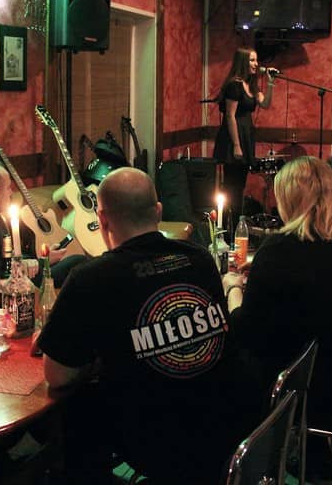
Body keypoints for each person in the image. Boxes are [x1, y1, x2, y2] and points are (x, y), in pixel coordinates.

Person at [37, 168, 261, 485]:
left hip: (163, 443)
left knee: (76, 409)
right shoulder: (200, 258)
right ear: (158, 211)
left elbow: (57, 376)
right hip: (232, 427)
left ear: (102, 219)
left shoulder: (90, 278)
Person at [223, 156, 332, 482]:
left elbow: (247, 331)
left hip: (309, 390)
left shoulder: (279, 250)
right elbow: (320, 305)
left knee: (233, 361)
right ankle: (311, 449)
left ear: (291, 200)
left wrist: (233, 288)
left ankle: (247, 457)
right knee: (305, 342)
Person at [0, 160, 84, 286]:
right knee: (78, 263)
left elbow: (12, 257)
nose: (11, 192)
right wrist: (43, 263)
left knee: (78, 263)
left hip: (21, 274)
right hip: (10, 287)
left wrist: (42, 259)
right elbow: (4, 278)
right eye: (8, 187)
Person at [212, 47, 274, 224]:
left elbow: (265, 104)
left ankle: (235, 225)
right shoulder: (234, 85)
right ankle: (227, 227)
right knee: (232, 187)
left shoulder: (251, 85)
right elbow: (230, 116)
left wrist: (270, 83)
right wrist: (237, 145)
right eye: (252, 60)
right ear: (242, 62)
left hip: (246, 136)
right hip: (234, 138)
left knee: (239, 186)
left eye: (256, 60)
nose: (256, 64)